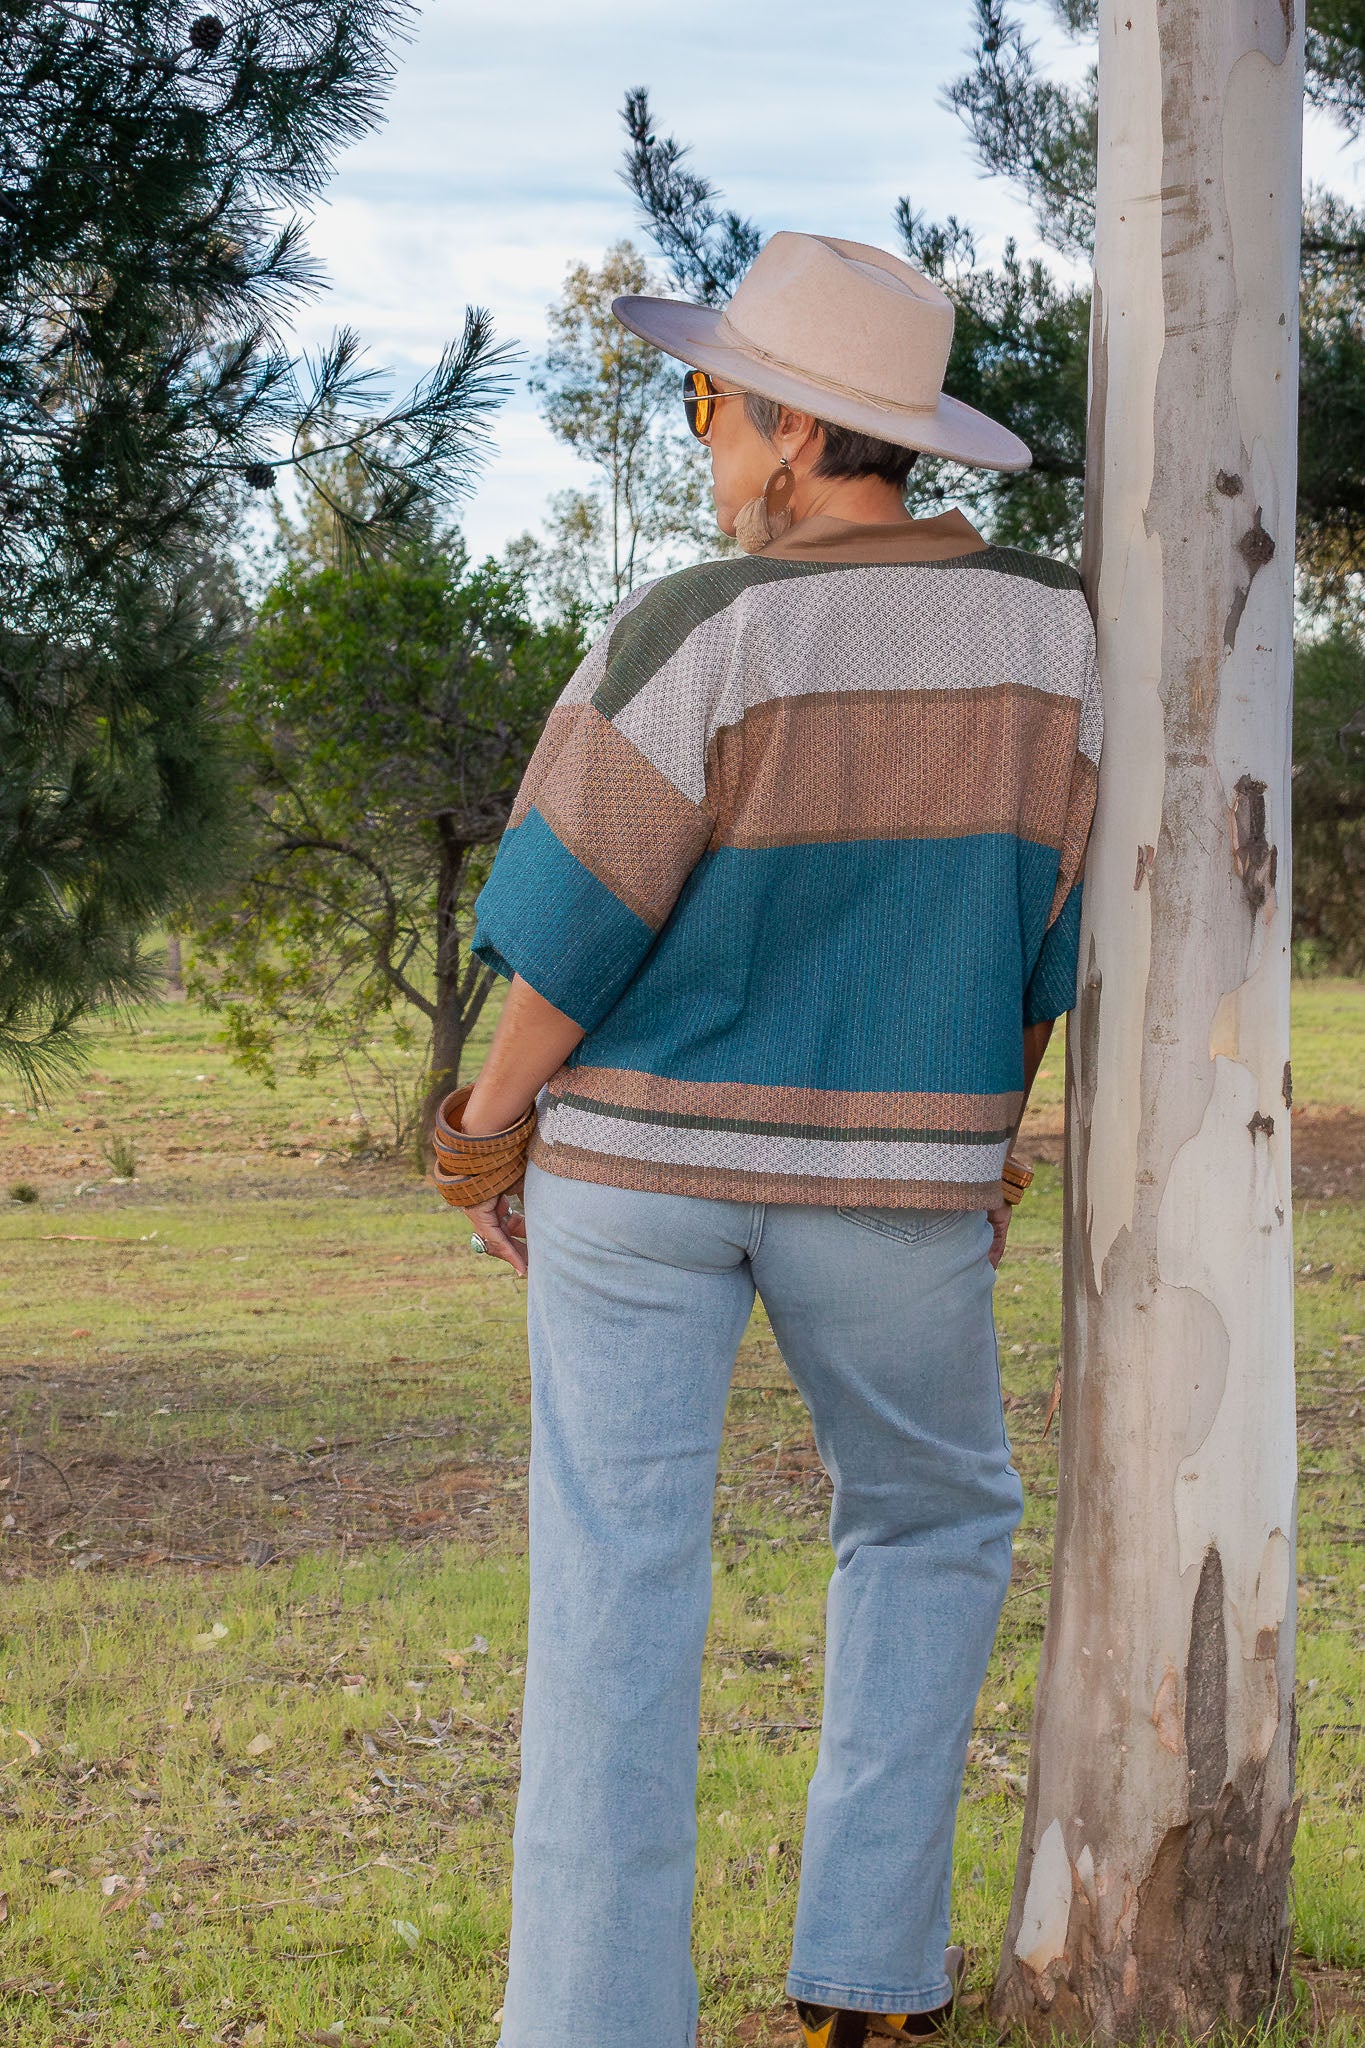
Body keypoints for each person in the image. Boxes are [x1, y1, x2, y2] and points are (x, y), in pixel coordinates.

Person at [431, 232, 1103, 2048]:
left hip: (634, 1180)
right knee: (933, 1516)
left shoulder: (697, 625)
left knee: (616, 1580)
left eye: (714, 401)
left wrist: (483, 1138)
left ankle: (588, 2027)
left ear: (802, 433)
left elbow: (575, 921)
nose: (706, 435)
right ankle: (867, 1983)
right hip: (894, 1186)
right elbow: (1048, 940)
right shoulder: (1055, 635)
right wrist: (982, 1142)